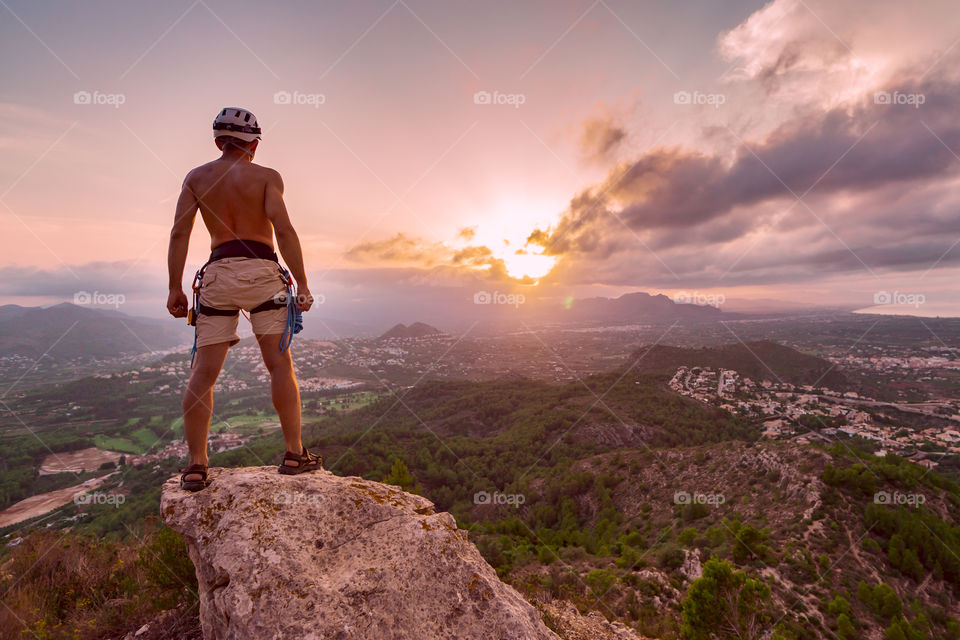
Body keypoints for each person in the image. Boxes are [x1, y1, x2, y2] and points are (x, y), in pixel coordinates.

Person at [166, 107, 320, 491]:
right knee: (279, 364)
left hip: (218, 274)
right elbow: (283, 229)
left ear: (218, 141)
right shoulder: (267, 177)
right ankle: (294, 453)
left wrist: (175, 287)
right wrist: (302, 283)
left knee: (203, 373)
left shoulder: (197, 178)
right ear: (253, 143)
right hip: (262, 272)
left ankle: (197, 466)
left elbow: (179, 235)